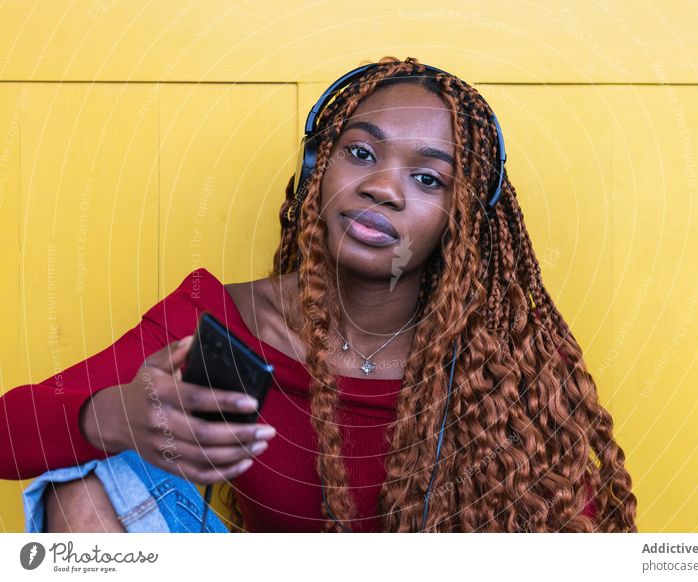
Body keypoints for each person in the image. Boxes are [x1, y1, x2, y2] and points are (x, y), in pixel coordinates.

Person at [0, 56, 637, 533]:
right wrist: (112, 416)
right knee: (82, 484)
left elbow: (574, 541)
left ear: (461, 219)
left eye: (426, 178)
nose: (383, 188)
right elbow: (10, 431)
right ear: (318, 170)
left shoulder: (500, 355)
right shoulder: (226, 322)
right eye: (360, 153)